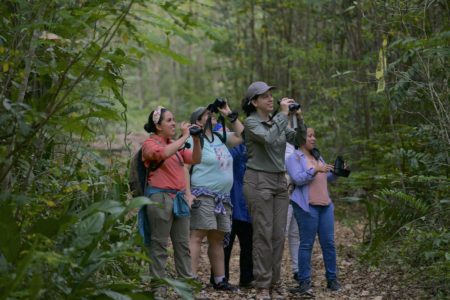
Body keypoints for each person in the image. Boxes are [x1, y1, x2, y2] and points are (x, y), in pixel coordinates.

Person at [241, 81, 306, 300]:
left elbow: (298, 140)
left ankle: (275, 282)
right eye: (265, 96)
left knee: (278, 235)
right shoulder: (251, 123)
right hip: (258, 180)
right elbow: (268, 139)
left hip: (279, 181)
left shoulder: (276, 121)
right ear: (254, 102)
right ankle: (262, 286)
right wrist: (282, 115)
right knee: (263, 234)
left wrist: (298, 117)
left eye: (272, 95)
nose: (270, 99)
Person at [140, 106, 202, 297]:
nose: (174, 123)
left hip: (179, 199)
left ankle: (185, 287)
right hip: (159, 198)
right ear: (158, 126)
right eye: (169, 120)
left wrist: (196, 139)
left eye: (174, 119)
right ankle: (159, 288)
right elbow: (161, 154)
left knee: (182, 244)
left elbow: (195, 159)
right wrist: (184, 138)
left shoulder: (175, 145)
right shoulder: (150, 144)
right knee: (159, 245)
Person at [186, 100, 244, 291]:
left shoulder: (219, 136)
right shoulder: (192, 139)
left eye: (211, 113)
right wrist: (187, 194)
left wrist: (228, 112)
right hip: (202, 193)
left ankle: (220, 280)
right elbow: (184, 169)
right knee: (197, 235)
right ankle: (191, 280)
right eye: (206, 113)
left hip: (223, 197)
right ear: (198, 121)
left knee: (217, 238)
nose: (210, 114)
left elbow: (243, 136)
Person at [286, 127, 342, 295]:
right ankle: (304, 282)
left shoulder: (317, 155)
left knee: (329, 244)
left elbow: (327, 177)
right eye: (310, 136)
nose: (313, 138)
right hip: (307, 206)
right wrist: (315, 170)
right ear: (301, 138)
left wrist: (338, 172)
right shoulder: (293, 158)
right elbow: (298, 178)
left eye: (314, 135)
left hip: (325, 205)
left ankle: (332, 280)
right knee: (306, 244)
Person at [224, 143, 254, 287]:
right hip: (230, 203)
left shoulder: (254, 147)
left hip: (247, 207)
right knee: (225, 244)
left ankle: (247, 278)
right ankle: (221, 277)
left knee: (248, 245)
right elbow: (231, 158)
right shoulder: (232, 146)